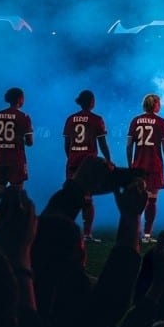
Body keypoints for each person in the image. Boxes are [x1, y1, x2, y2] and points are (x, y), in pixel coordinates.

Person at [64, 89, 111, 241]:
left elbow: (67, 143)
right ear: (91, 102)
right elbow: (102, 143)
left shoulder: (71, 119)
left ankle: (67, 230)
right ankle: (87, 234)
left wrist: (71, 157)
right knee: (87, 197)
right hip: (88, 163)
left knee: (71, 197)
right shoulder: (97, 119)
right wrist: (108, 159)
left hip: (73, 161)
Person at [126, 92, 164, 242]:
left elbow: (128, 146)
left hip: (138, 165)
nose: (160, 105)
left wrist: (130, 165)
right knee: (152, 200)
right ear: (155, 105)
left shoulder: (135, 121)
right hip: (154, 165)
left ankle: (134, 232)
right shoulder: (161, 122)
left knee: (138, 200)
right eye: (159, 103)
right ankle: (147, 234)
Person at [0, 86, 34, 196]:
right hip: (16, 159)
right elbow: (30, 142)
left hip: (0, 158)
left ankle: (0, 212)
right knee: (17, 196)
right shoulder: (23, 116)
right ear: (20, 99)